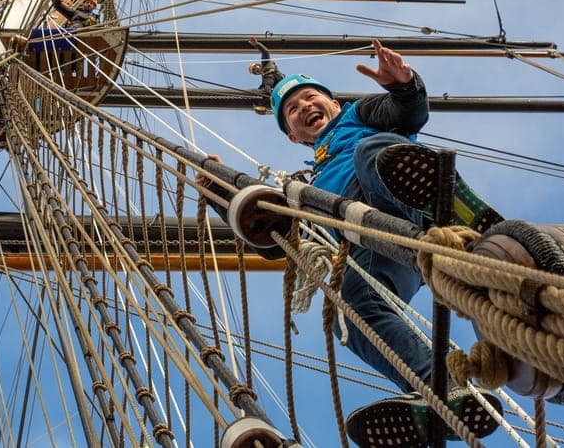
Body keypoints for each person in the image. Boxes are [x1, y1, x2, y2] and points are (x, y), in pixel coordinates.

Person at [200, 39, 502, 446]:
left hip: (402, 206)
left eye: (310, 97)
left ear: (334, 103)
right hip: (376, 248)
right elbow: (275, 241)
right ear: (293, 136)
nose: (304, 107)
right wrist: (224, 194)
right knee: (348, 310)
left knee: (374, 152)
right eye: (293, 109)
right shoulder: (304, 188)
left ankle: (453, 207)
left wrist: (404, 84)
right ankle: (443, 389)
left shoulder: (358, 116)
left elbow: (406, 112)